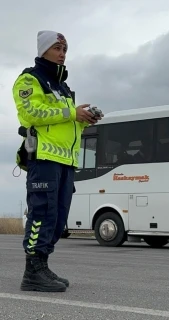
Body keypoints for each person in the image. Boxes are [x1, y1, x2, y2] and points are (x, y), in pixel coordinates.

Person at [12, 30, 103, 292]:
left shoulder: (62, 88)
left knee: (57, 216)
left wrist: (84, 120)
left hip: (65, 161)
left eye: (65, 49)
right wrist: (71, 112)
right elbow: (31, 114)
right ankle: (32, 271)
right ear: (44, 51)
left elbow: (65, 125)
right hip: (43, 158)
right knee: (42, 212)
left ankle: (42, 263)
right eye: (57, 48)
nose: (62, 54)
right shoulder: (30, 79)